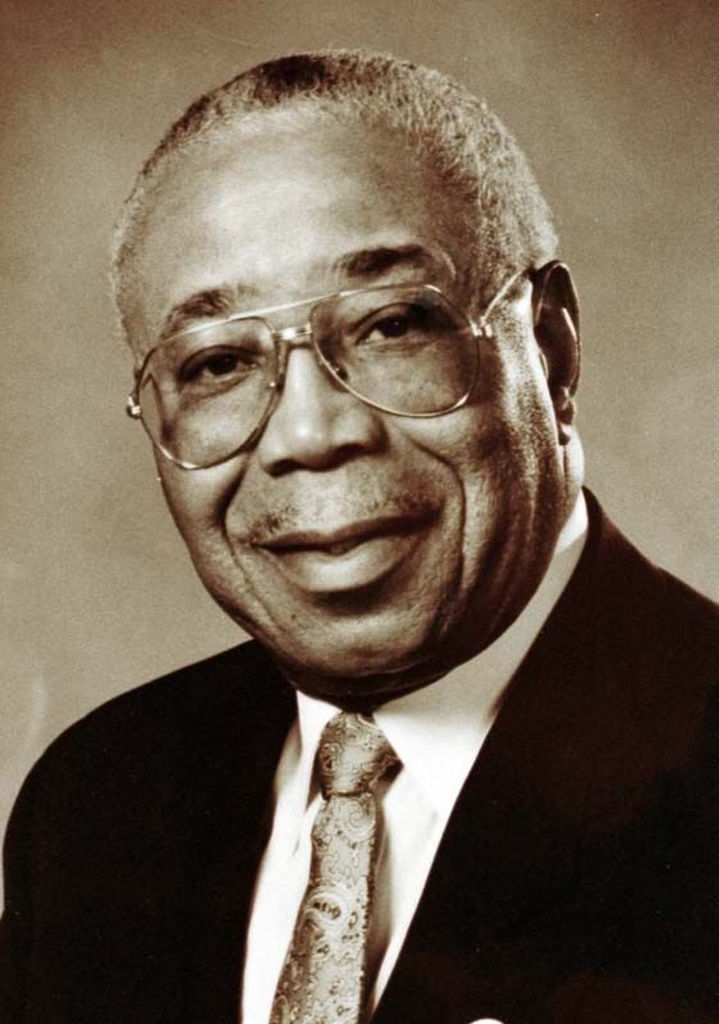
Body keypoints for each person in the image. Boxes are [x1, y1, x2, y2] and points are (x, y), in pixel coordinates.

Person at [1, 49, 718, 1024]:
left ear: (550, 352)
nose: (309, 433)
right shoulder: (97, 805)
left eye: (391, 325)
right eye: (217, 363)